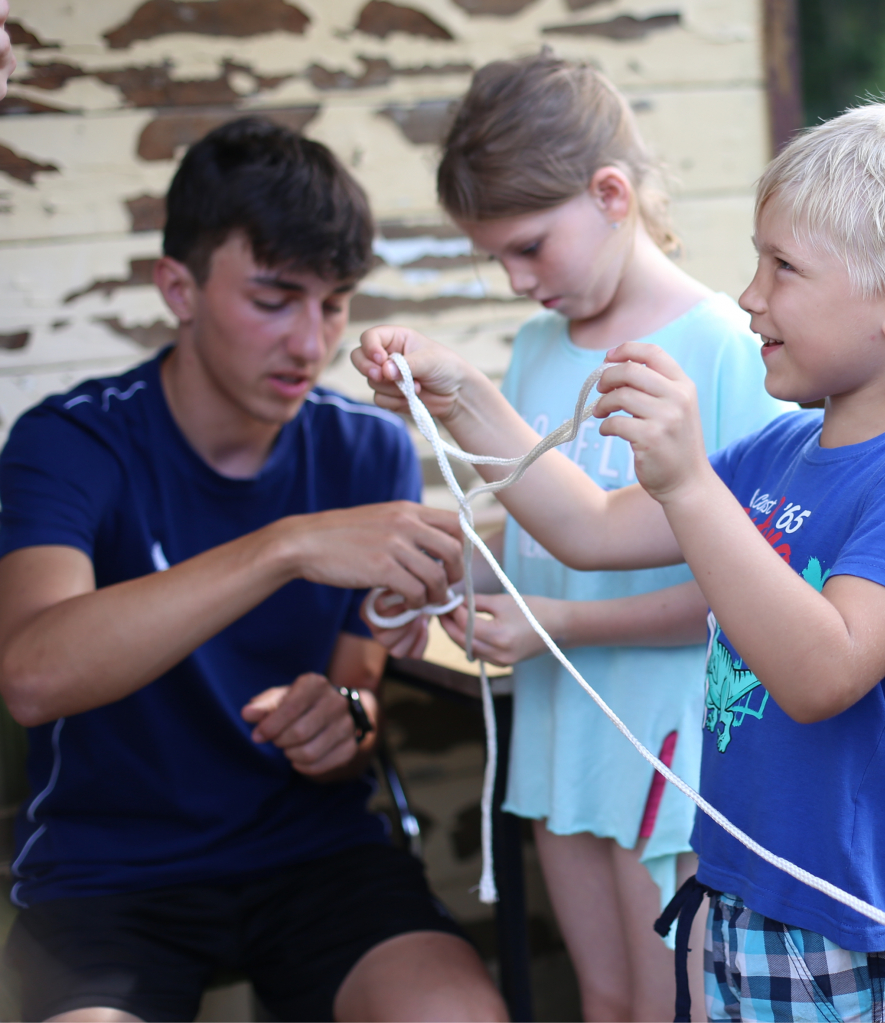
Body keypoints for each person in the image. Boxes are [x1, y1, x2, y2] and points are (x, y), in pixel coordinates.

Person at [355, 96, 885, 1022]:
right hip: (740, 891)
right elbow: (587, 528)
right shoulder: (780, 453)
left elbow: (822, 672)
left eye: (782, 267)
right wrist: (460, 394)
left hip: (853, 933)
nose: (750, 294)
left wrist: (689, 483)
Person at [0, 117, 506, 1023]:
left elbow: (357, 692)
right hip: (106, 875)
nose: (310, 342)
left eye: (335, 301)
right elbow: (34, 675)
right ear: (177, 289)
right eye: (275, 298)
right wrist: (286, 546)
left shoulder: (364, 450)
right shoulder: (69, 440)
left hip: (314, 853)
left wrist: (341, 720)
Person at [367, 54, 792, 1022]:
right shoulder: (532, 351)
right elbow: (531, 525)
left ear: (610, 194)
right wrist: (430, 570)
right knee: (602, 1000)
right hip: (561, 733)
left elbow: (737, 594)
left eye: (528, 247)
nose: (517, 281)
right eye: (496, 258)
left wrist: (555, 619)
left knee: (668, 1008)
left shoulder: (724, 348)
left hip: (670, 742)